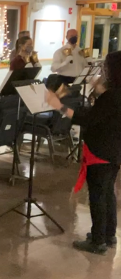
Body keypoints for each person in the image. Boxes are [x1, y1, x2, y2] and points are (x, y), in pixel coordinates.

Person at [44, 51, 121, 255]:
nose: (103, 69)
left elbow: (86, 118)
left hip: (101, 150)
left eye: (106, 66)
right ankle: (108, 234)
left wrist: (58, 106)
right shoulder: (114, 93)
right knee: (108, 192)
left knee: (97, 195)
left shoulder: (112, 96)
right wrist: (99, 92)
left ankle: (97, 241)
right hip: (114, 149)